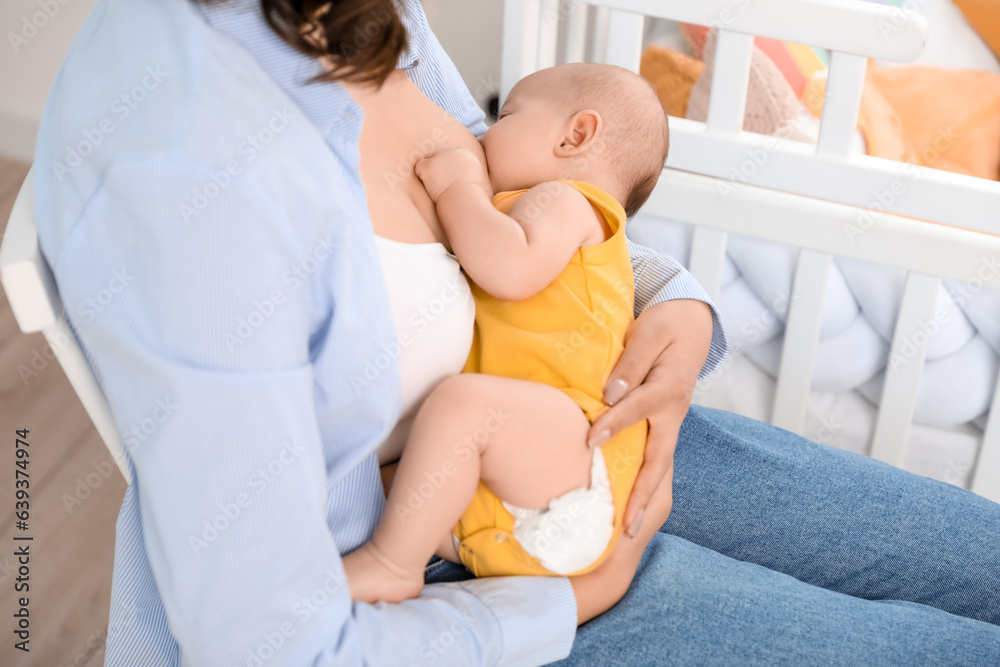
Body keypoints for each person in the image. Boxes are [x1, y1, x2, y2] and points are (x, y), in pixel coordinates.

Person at [31, 0, 1000, 664]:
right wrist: (562, 603)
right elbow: (272, 644)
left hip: (567, 423)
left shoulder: (349, 18)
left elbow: (534, 187)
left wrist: (676, 303)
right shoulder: (189, 171)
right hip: (452, 566)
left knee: (977, 558)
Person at [344, 63, 669, 602]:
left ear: (576, 135)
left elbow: (508, 269)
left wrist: (458, 187)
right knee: (391, 472)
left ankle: (392, 563)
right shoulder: (531, 216)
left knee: (460, 406)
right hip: (501, 511)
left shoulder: (568, 202)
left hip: (575, 462)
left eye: (507, 115)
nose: (483, 134)